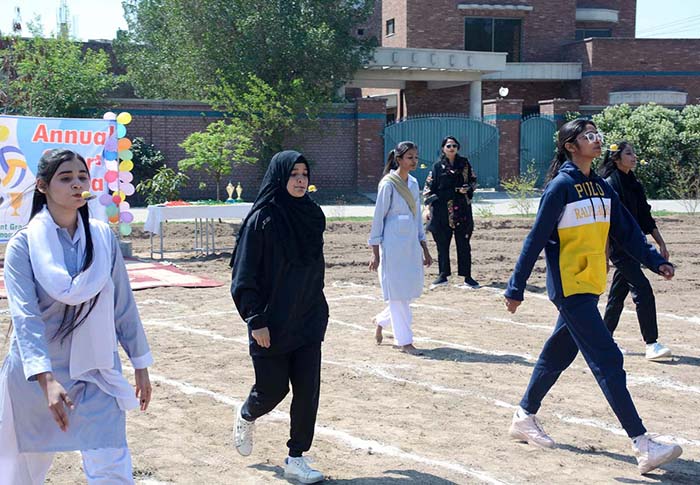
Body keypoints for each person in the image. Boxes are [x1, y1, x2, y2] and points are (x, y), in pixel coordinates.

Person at [503, 119, 682, 475]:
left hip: (590, 282)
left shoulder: (601, 187)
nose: (596, 139)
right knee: (608, 358)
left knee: (558, 352)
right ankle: (642, 443)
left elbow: (629, 233)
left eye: (597, 133)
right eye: (587, 135)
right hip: (570, 287)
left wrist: (656, 261)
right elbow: (535, 239)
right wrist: (515, 287)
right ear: (571, 146)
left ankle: (524, 415)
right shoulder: (561, 187)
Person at [0, 149, 153, 484]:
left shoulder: (102, 239)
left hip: (95, 371)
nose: (77, 184)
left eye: (82, 177)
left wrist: (140, 364)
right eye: (65, 178)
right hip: (35, 377)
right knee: (19, 471)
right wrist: (45, 377)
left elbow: (123, 306)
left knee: (111, 460)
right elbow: (25, 318)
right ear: (42, 186)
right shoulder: (22, 246)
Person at [230, 150, 327, 484]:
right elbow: (244, 277)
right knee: (271, 391)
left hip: (309, 319)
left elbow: (315, 268)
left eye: (304, 174)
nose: (300, 180)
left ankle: (296, 457)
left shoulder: (314, 215)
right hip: (270, 323)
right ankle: (245, 414)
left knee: (307, 392)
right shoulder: (262, 220)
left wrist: (317, 310)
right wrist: (255, 319)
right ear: (280, 177)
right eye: (293, 174)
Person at [599, 142, 671, 361]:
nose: (634, 156)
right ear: (616, 158)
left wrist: (661, 242)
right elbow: (605, 223)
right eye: (628, 153)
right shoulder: (610, 184)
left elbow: (645, 216)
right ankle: (652, 344)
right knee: (642, 289)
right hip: (620, 248)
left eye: (634, 152)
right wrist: (605, 253)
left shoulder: (634, 184)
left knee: (617, 295)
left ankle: (603, 340)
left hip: (635, 244)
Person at [368, 141, 433, 355]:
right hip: (392, 244)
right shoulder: (388, 184)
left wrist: (424, 247)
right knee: (397, 292)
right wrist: (375, 252)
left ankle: (381, 320)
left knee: (407, 291)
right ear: (399, 160)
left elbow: (416, 219)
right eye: (410, 157)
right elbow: (378, 218)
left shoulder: (414, 183)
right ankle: (405, 341)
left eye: (416, 157)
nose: (414, 161)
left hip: (410, 244)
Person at [423, 136, 479, 289]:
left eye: (454, 145)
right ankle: (443, 275)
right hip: (442, 210)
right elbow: (428, 188)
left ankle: (467, 277)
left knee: (464, 243)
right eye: (448, 146)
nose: (451, 148)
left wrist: (467, 189)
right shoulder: (437, 167)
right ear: (443, 148)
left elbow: (474, 181)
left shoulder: (465, 164)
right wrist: (428, 208)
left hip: (462, 209)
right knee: (442, 243)